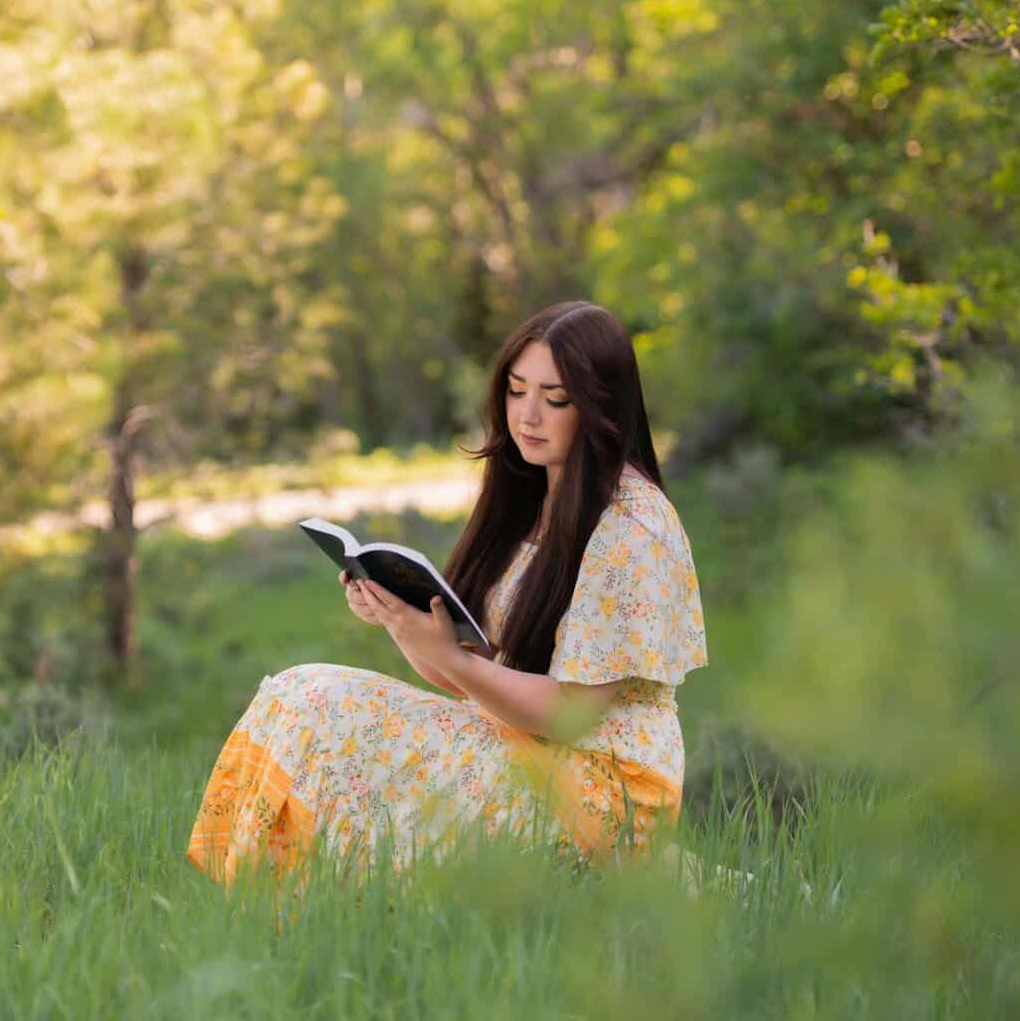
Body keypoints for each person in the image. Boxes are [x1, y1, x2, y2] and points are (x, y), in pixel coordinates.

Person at [185, 300, 708, 888]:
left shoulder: (632, 526)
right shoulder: (533, 498)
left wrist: (451, 657)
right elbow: (478, 676)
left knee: (319, 705)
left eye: (555, 399)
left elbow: (567, 712)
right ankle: (259, 901)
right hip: (525, 743)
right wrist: (402, 621)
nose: (528, 416)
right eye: (516, 391)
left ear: (601, 406)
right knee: (298, 693)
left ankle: (276, 904)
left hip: (605, 787)